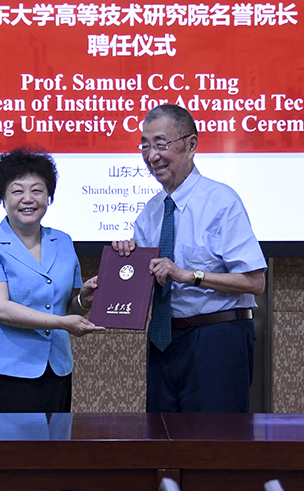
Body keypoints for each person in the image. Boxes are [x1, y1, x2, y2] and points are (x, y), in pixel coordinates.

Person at [113, 104, 266, 413]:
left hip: (217, 339)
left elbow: (255, 282)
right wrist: (124, 263)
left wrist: (189, 275)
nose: (152, 156)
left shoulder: (221, 202)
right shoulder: (150, 212)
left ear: (191, 145)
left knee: (216, 438)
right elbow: (147, 285)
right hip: (164, 340)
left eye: (161, 144)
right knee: (162, 436)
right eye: (145, 145)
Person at [0, 147, 103, 413]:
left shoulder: (62, 241)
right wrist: (63, 323)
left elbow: (66, 307)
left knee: (55, 440)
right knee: (3, 442)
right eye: (17, 191)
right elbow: (0, 309)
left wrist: (83, 300)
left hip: (56, 369)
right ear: (2, 198)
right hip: (3, 371)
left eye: (37, 190)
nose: (28, 199)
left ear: (49, 197)